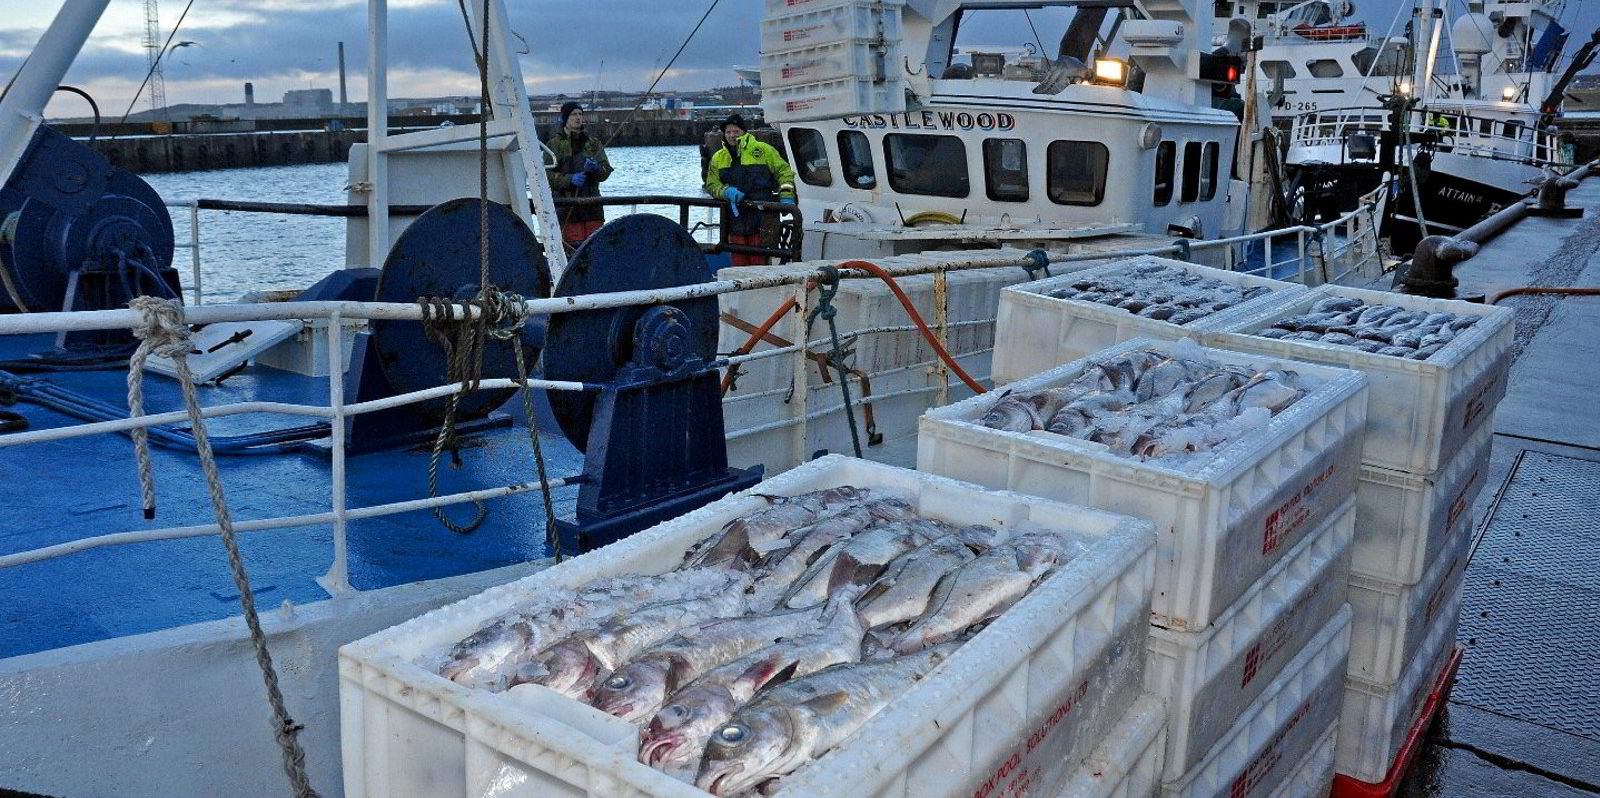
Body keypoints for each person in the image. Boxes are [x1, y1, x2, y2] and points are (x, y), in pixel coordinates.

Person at [704, 114, 796, 267]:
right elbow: (711, 185)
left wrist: (786, 196)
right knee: (738, 268)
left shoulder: (763, 150)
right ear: (724, 135)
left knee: (760, 266)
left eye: (736, 131)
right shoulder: (718, 158)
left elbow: (784, 172)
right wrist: (726, 192)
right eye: (728, 132)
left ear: (744, 132)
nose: (732, 135)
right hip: (734, 221)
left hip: (762, 219)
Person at [547, 101, 614, 248]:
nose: (578, 117)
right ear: (565, 118)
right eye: (573, 114)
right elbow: (546, 177)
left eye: (580, 114)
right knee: (572, 250)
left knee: (596, 248)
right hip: (567, 212)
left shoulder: (593, 144)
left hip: (593, 209)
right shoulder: (553, 145)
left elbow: (605, 171)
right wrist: (569, 180)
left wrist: (596, 168)